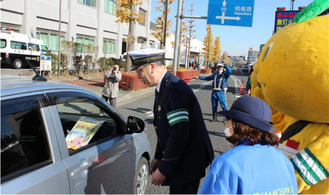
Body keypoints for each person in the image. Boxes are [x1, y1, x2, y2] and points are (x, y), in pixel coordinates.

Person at [128, 48, 214, 194]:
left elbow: (179, 133)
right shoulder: (164, 86)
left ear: (152, 67)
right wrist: (159, 157)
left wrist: (164, 169)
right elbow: (164, 128)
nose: (138, 76)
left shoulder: (174, 88)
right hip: (182, 158)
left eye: (139, 71)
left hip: (188, 161)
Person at [199, 96, 298, 194]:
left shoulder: (227, 164)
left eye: (227, 120)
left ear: (237, 124)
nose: (226, 124)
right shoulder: (283, 160)